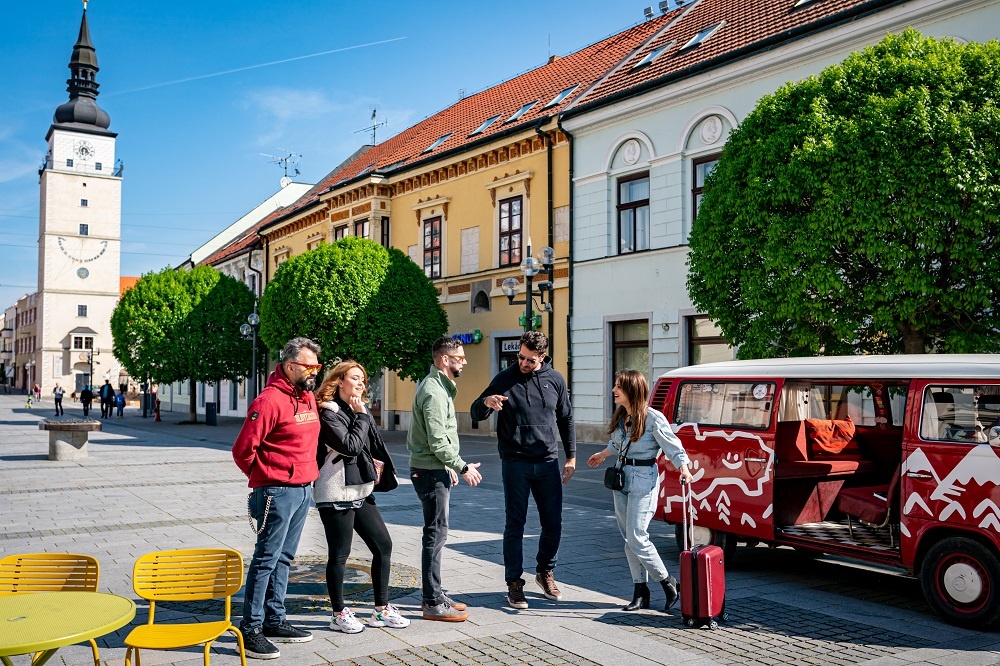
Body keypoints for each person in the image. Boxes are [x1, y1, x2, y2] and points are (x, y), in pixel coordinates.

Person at [469, 330, 575, 610]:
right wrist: (486, 404)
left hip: (548, 462)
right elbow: (475, 412)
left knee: (553, 522)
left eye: (529, 359)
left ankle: (545, 571)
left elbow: (566, 419)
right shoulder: (505, 378)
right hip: (515, 463)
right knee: (515, 524)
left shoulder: (555, 380)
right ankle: (514, 583)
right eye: (520, 357)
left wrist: (571, 457)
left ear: (542, 356)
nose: (523, 363)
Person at [232, 337, 322, 660]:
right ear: (289, 365)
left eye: (317, 366)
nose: (314, 371)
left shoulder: (308, 396)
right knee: (266, 558)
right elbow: (242, 450)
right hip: (277, 491)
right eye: (309, 366)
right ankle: (251, 627)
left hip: (303, 489)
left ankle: (275, 618)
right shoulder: (269, 401)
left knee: (285, 558)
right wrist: (267, 477)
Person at [587, 369, 694, 612]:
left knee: (637, 535)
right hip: (622, 478)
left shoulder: (653, 418)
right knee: (629, 539)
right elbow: (617, 444)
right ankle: (640, 592)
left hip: (644, 480)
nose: (613, 390)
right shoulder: (621, 416)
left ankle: (668, 581)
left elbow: (673, 447)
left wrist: (684, 470)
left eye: (618, 387)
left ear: (632, 390)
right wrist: (603, 454)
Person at [314, 361, 407, 634]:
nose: (361, 384)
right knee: (340, 555)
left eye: (363, 380)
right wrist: (363, 415)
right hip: (335, 491)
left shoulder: (356, 410)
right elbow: (351, 447)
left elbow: (371, 444)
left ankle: (381, 609)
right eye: (355, 378)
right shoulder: (328, 413)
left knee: (383, 545)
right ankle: (338, 613)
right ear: (339, 381)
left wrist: (361, 414)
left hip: (360, 489)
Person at [408, 336, 482, 622]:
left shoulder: (440, 388)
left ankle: (435, 594)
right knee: (435, 534)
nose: (464, 361)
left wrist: (449, 466)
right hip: (428, 472)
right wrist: (462, 466)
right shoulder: (434, 392)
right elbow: (438, 441)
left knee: (437, 533)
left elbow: (438, 439)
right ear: (444, 360)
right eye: (460, 358)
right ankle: (432, 602)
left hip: (434, 468)